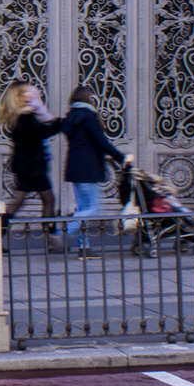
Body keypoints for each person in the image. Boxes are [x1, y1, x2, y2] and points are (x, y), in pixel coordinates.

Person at [62, 85, 133, 257]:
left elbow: (84, 143)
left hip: (75, 168)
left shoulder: (71, 117)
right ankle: (66, 227)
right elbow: (102, 142)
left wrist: (102, 155)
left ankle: (84, 248)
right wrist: (123, 158)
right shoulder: (88, 117)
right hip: (88, 169)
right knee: (94, 208)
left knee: (83, 209)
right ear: (88, 99)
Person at [0, 82, 62, 224]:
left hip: (29, 166)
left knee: (20, 202)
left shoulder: (23, 114)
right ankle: (51, 238)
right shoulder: (24, 117)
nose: (30, 94)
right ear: (18, 97)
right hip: (31, 167)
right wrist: (59, 123)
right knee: (47, 200)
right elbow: (40, 133)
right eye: (25, 92)